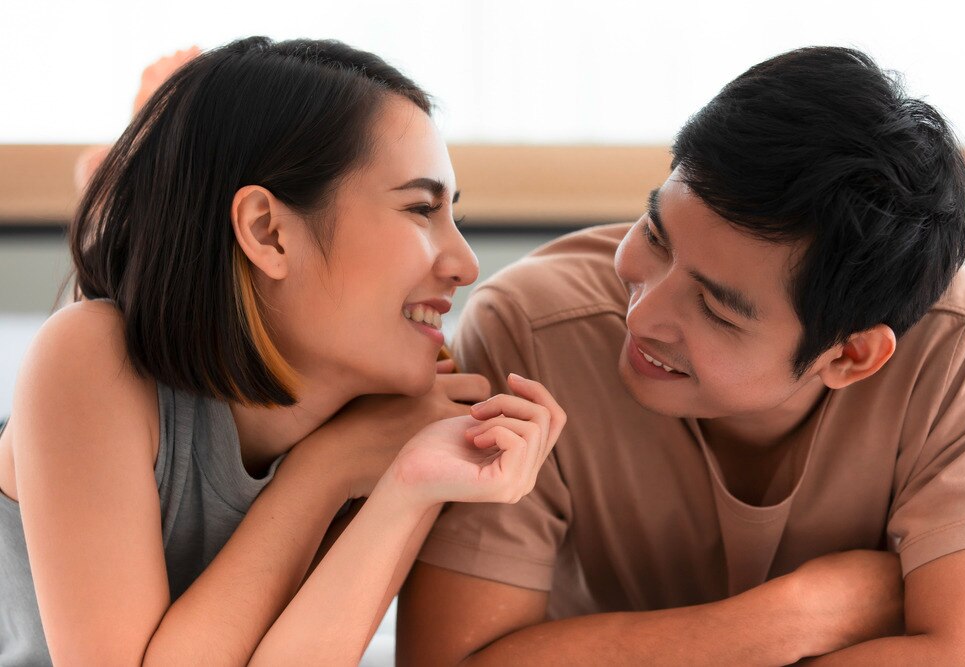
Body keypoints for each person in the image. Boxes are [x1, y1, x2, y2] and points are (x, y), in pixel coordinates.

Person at [397, 46, 965, 664]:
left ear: (849, 356)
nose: (642, 315)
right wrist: (797, 616)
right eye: (655, 235)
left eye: (716, 309)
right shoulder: (531, 332)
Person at [0, 36, 565, 665]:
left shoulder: (403, 414)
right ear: (269, 232)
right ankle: (117, 176)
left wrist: (409, 488)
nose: (465, 264)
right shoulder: (90, 356)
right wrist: (325, 468)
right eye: (420, 208)